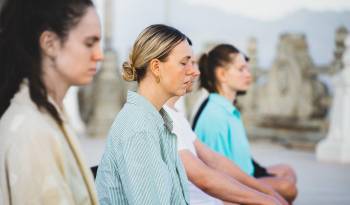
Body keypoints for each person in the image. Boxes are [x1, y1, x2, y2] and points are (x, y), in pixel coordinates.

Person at [0, 0, 103, 204]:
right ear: (50, 43)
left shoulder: (49, 115)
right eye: (89, 43)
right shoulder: (32, 131)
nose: (99, 55)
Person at [95, 24, 197, 205]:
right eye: (184, 63)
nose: (193, 71)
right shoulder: (140, 128)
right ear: (156, 67)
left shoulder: (156, 121)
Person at [165, 59, 287, 205]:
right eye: (184, 63)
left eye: (194, 63)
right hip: (207, 196)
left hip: (211, 196)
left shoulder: (176, 115)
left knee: (286, 174)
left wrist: (265, 192)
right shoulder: (212, 114)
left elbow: (215, 160)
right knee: (285, 188)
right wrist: (265, 194)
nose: (195, 71)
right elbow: (208, 175)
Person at [193, 44, 297, 203]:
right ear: (222, 74)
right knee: (286, 187)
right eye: (241, 69)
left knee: (287, 170)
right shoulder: (214, 115)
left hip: (247, 173)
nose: (248, 74)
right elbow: (216, 172)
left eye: (248, 69)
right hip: (233, 182)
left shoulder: (228, 107)